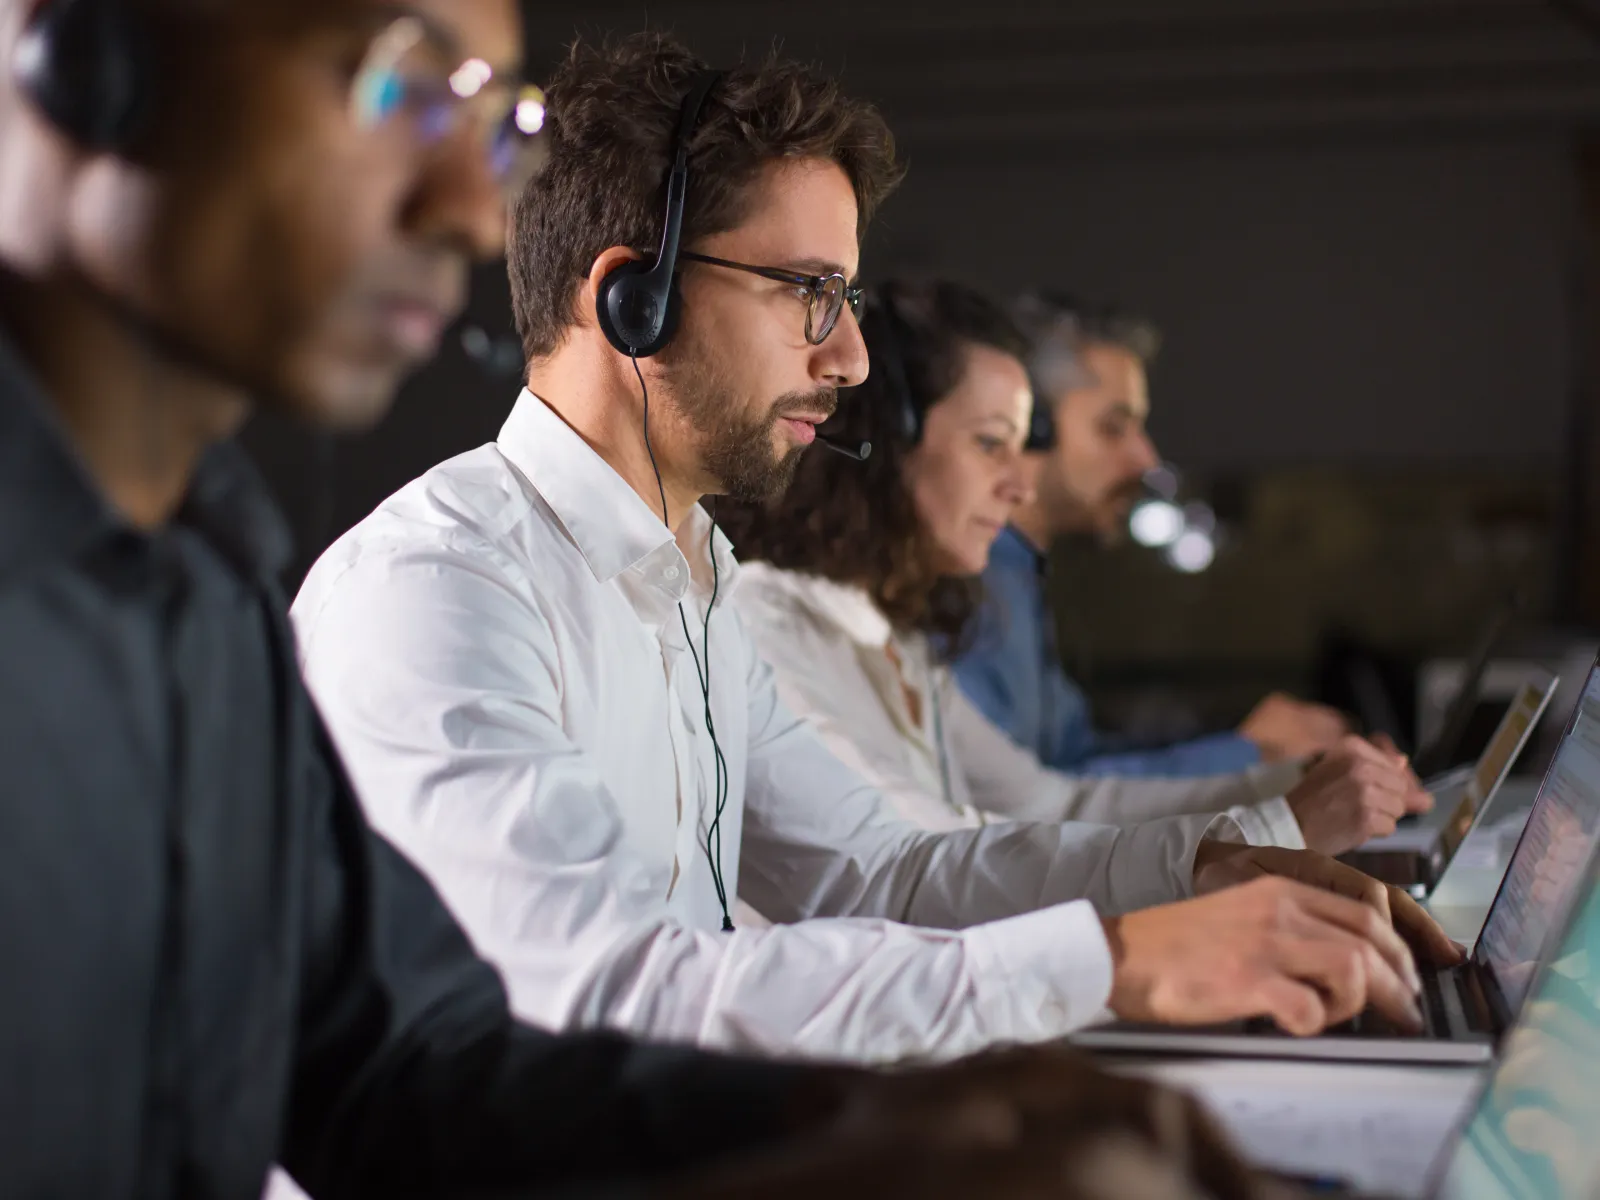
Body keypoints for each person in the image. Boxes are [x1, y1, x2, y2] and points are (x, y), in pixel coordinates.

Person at [0, 2, 1281, 1197]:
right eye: (394, 79)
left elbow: (406, 1071)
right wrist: (1099, 966)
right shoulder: (428, 589)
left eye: (491, 124)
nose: (466, 205)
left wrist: (872, 1136)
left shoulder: (199, 598)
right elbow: (580, 1000)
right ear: (85, 58)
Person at [292, 31, 1459, 1074]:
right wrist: (1112, 964)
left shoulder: (696, 579)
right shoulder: (439, 590)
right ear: (630, 301)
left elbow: (879, 873)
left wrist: (1209, 872)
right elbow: (603, 995)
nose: (849, 358)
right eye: (809, 293)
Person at [718, 278, 1430, 859]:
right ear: (884, 445)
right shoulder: (770, 628)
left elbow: (1054, 805)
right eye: (992, 444)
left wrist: (1286, 786)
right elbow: (921, 866)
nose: (1021, 485)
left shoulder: (891, 635)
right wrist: (1274, 824)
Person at [954, 292, 1350, 777]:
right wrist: (1246, 753)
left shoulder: (1018, 576)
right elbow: (1019, 803)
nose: (1146, 458)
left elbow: (1072, 757)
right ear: (1029, 427)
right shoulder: (967, 580)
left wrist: (1246, 742)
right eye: (1113, 428)